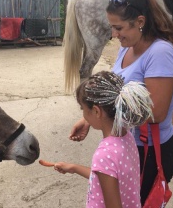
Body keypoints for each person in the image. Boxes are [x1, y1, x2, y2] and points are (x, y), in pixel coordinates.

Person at [70, 0, 173, 206]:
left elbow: (157, 112)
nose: (114, 35)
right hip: (132, 145)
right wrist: (88, 118)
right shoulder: (127, 47)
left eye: (119, 28)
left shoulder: (160, 53)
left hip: (152, 151)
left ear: (140, 22)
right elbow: (116, 95)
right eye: (112, 28)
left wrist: (102, 117)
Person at [54, 71, 154, 207]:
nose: (83, 114)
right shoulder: (127, 136)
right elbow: (107, 177)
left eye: (82, 108)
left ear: (96, 111)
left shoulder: (105, 154)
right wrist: (74, 168)